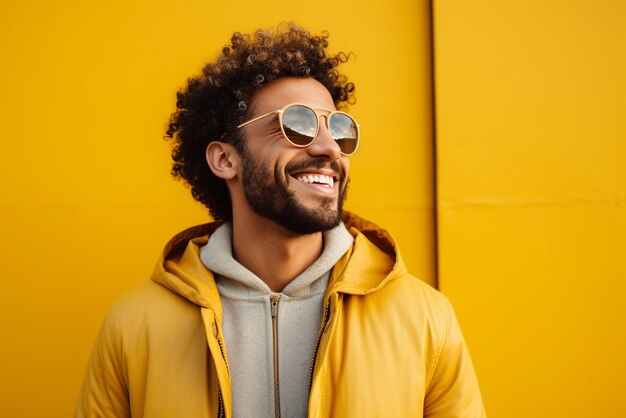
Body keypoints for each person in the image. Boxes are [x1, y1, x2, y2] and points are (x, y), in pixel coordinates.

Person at [76, 23, 486, 418]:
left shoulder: (424, 318)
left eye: (339, 129)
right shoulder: (133, 325)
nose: (329, 148)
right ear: (225, 159)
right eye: (298, 124)